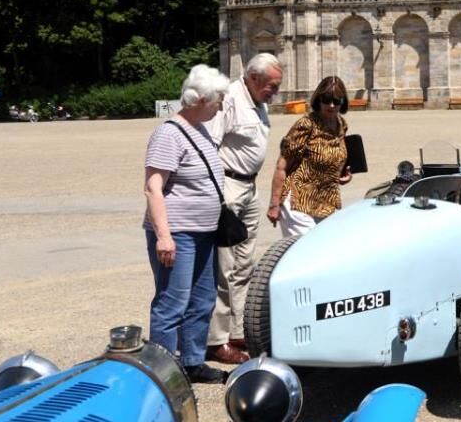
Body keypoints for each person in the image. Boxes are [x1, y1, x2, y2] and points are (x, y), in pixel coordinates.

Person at [142, 64, 231, 384]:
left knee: (203, 299)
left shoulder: (201, 129)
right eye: (218, 99)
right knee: (172, 303)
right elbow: (153, 187)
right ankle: (163, 372)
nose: (221, 104)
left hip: (204, 231)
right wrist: (164, 237)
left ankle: (192, 362)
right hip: (177, 232)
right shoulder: (168, 133)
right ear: (200, 99)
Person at [204, 53, 283, 365]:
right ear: (253, 78)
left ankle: (238, 331)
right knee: (224, 266)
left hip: (249, 187)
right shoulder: (231, 100)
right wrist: (219, 197)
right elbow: (210, 145)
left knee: (245, 265)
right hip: (229, 187)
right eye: (272, 86)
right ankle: (217, 340)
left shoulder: (258, 102)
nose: (275, 92)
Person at [268, 76, 353, 237]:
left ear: (343, 101)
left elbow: (333, 157)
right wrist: (274, 204)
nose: (332, 105)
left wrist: (342, 174)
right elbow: (282, 165)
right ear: (318, 99)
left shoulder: (341, 125)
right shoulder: (306, 125)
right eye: (327, 100)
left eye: (337, 100)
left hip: (327, 202)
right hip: (299, 201)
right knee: (304, 253)